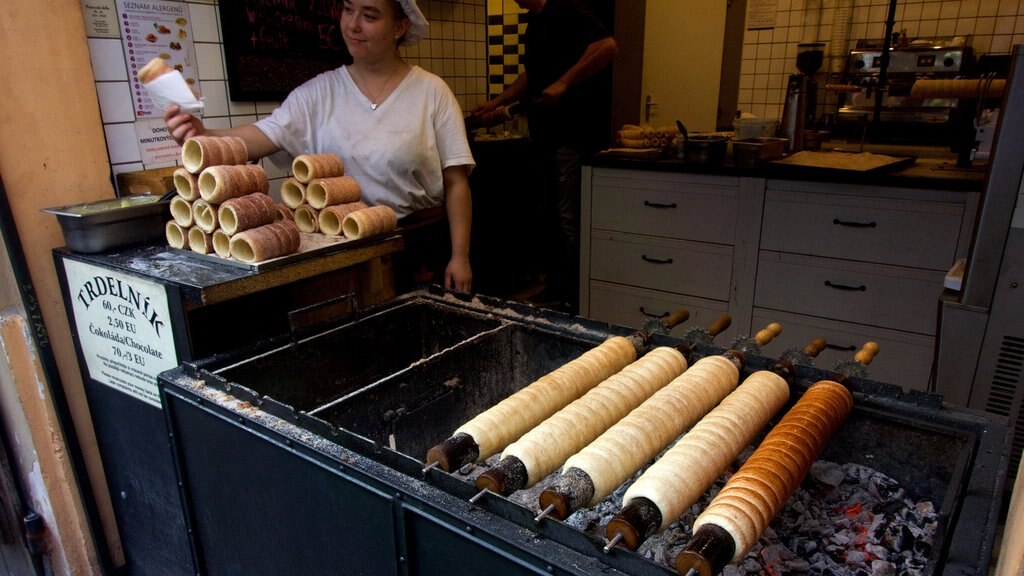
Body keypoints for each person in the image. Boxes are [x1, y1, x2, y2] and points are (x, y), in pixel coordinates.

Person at [163, 0, 475, 292]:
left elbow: (456, 182)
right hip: (342, 252)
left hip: (417, 246)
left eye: (369, 15)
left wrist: (460, 257)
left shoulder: (431, 92)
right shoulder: (318, 94)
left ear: (400, 27)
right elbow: (262, 136)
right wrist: (204, 135)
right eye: (348, 9)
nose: (352, 25)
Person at [469, 0, 616, 314]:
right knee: (549, 213)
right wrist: (498, 102)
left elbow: (607, 46)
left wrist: (564, 83)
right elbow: (532, 76)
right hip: (545, 136)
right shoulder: (533, 22)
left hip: (573, 134)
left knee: (567, 219)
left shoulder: (568, 10)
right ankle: (555, 287)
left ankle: (573, 296)